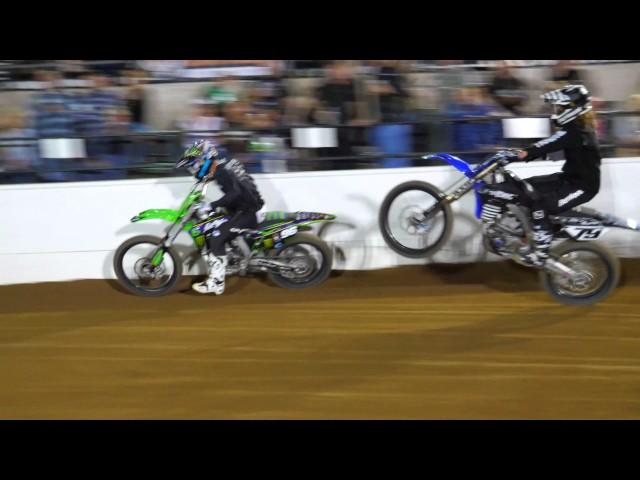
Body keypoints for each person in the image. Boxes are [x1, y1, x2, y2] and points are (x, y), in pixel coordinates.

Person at [481, 84, 601, 268]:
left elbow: (544, 145)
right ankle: (527, 234)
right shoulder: (577, 128)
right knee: (526, 188)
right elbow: (550, 148)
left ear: (572, 108)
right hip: (568, 179)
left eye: (560, 107)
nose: (556, 111)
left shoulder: (576, 131)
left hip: (582, 187)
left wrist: (516, 154)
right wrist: (519, 153)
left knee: (541, 204)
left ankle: (541, 253)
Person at [176, 140, 265, 295]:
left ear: (204, 159)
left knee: (216, 237)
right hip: (246, 208)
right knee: (216, 223)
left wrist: (211, 206)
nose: (193, 169)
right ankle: (232, 256)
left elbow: (235, 193)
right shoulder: (225, 165)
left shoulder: (221, 171)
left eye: (194, 164)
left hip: (246, 212)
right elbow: (240, 190)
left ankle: (216, 283)